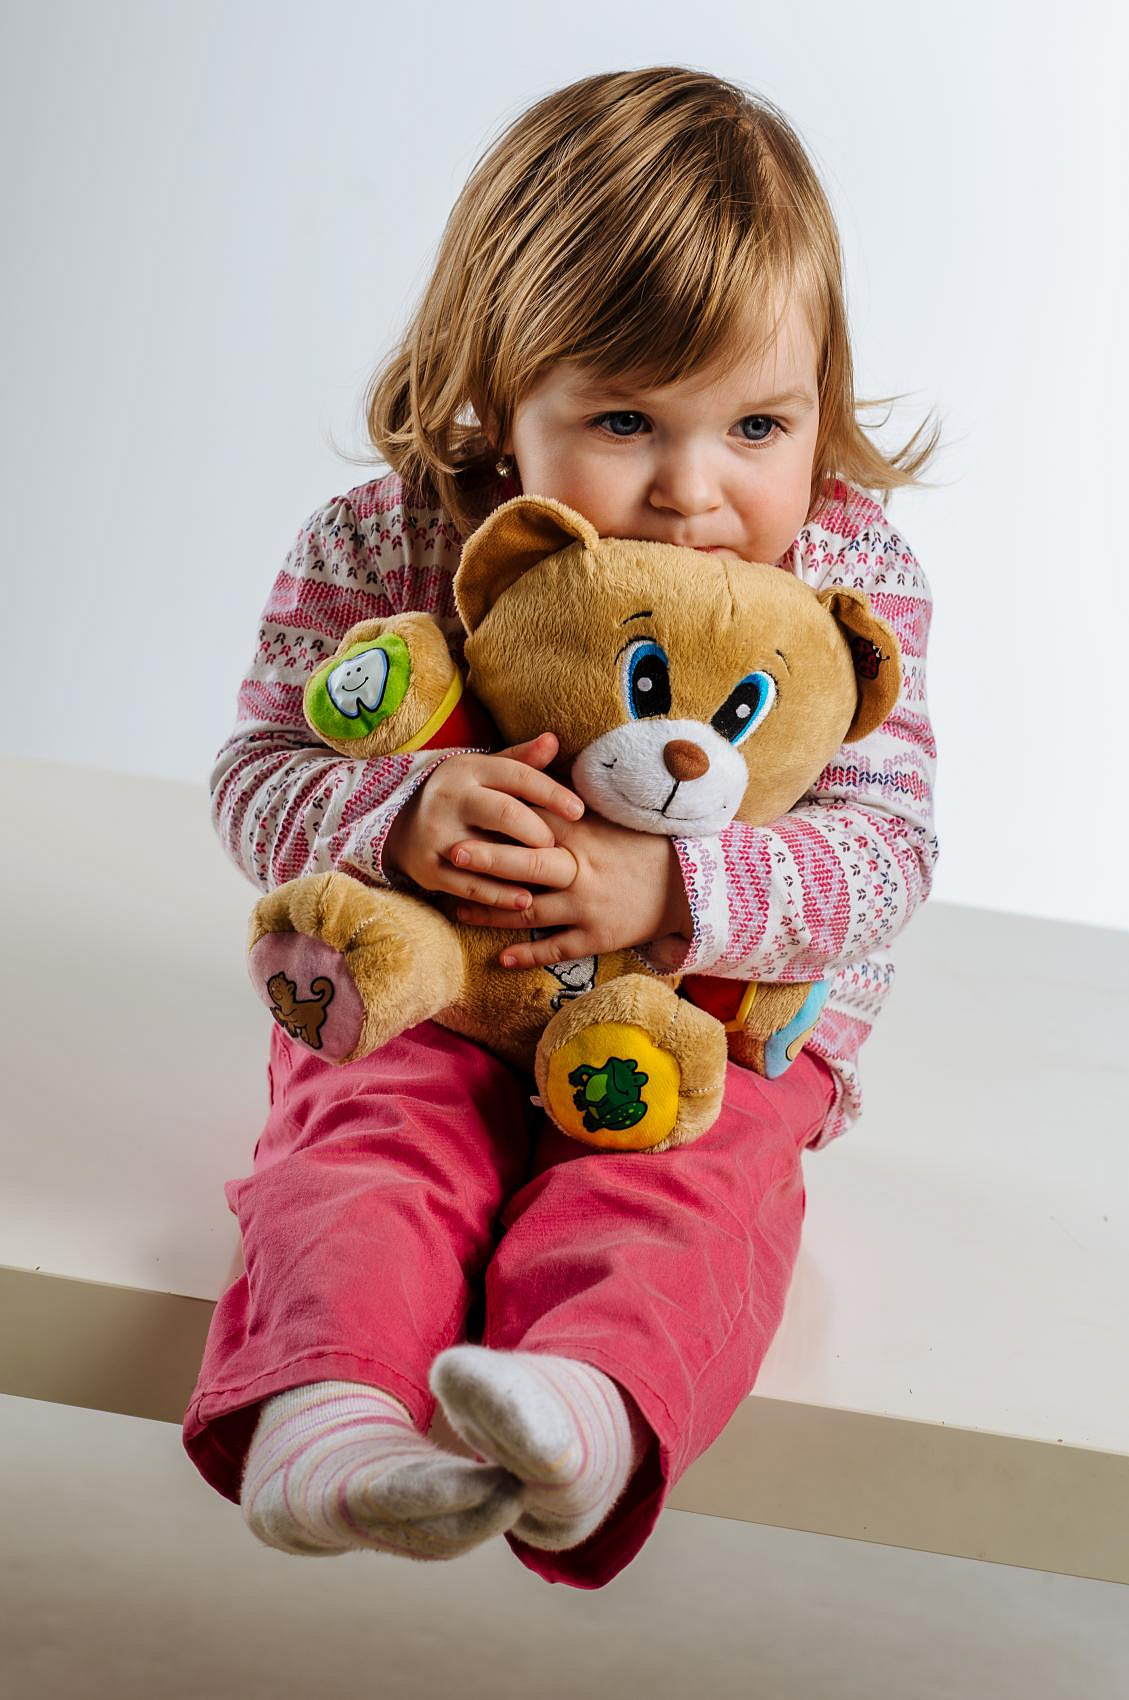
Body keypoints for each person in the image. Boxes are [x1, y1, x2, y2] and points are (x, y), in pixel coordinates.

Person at [183, 66, 940, 1589]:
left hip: (712, 1022)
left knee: (687, 1186)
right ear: (497, 391)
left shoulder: (849, 572)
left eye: (758, 424)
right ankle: (327, 1422)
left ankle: (583, 1410)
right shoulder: (390, 534)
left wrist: (674, 887)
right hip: (441, 990)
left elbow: (890, 852)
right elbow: (256, 774)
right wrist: (398, 813)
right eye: (624, 419)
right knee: (364, 1136)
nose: (694, 491)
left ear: (821, 406)